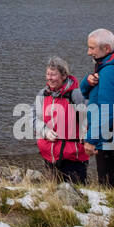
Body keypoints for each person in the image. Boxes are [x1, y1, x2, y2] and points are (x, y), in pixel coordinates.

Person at [80, 28, 114, 191]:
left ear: (106, 49)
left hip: (113, 139)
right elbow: (86, 92)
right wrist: (87, 82)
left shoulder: (110, 71)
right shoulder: (108, 66)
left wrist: (91, 140)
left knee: (110, 187)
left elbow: (107, 110)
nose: (88, 52)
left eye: (92, 48)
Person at [34, 56, 90, 184]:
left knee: (75, 194)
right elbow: (34, 117)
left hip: (73, 158)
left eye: (53, 75)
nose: (49, 78)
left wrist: (85, 131)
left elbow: (91, 113)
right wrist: (44, 131)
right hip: (50, 155)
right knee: (53, 194)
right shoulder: (43, 94)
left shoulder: (76, 94)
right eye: (48, 74)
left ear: (64, 76)